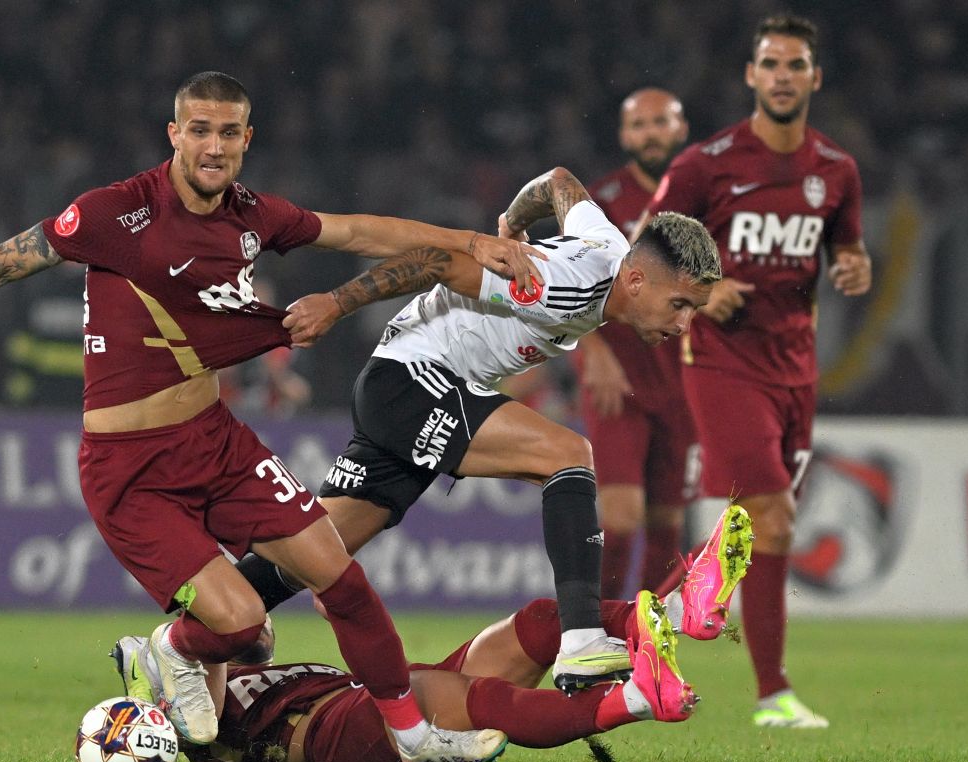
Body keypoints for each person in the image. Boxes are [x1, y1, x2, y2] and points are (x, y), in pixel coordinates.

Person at [0, 71, 547, 762]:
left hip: (216, 442)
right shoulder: (116, 214)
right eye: (199, 130)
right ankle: (171, 646)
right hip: (129, 469)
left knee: (342, 579)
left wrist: (467, 239)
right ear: (174, 135)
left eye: (228, 132)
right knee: (242, 630)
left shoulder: (252, 216)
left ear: (245, 140)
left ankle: (414, 736)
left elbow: (356, 230)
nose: (213, 146)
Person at [236, 165, 722, 693]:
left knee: (314, 551)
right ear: (635, 279)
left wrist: (512, 222)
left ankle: (187, 636)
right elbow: (437, 261)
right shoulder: (556, 285)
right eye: (679, 305)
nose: (682, 326)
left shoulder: (606, 241)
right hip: (411, 381)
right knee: (567, 454)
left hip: (404, 386)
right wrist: (336, 304)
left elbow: (560, 183)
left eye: (693, 311)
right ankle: (581, 638)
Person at [110, 504, 754, 762]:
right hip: (330, 736)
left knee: (532, 625)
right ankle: (640, 699)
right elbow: (221, 648)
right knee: (469, 695)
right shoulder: (198, 726)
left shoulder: (228, 670)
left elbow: (251, 638)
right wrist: (175, 639)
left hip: (361, 699)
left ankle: (667, 614)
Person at [640, 15, 873, 728]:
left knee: (770, 527)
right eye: (769, 63)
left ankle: (704, 654)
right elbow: (643, 255)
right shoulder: (707, 164)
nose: (780, 76)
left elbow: (845, 251)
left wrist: (855, 267)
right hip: (720, 361)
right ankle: (760, 677)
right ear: (750, 75)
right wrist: (707, 293)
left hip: (796, 369)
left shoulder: (836, 169)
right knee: (773, 512)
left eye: (794, 65)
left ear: (814, 78)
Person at [578, 88, 696, 600]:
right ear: (626, 136)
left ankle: (648, 641)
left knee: (667, 524)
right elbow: (573, 287)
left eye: (660, 122)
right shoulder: (601, 204)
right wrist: (594, 352)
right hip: (618, 383)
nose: (650, 133)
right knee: (621, 519)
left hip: (683, 383)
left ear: (681, 130)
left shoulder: (702, 199)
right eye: (640, 125)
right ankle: (598, 632)